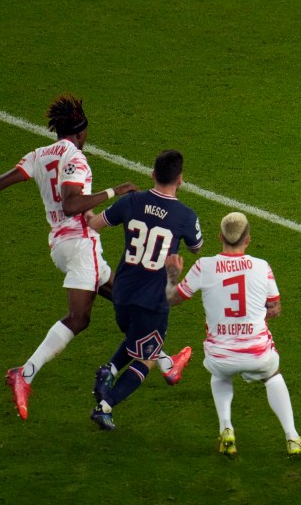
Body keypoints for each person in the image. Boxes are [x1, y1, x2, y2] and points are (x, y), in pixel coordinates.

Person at [0, 94, 190, 421]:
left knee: (121, 294)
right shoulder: (77, 159)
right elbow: (70, 204)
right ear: (81, 133)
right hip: (81, 244)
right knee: (79, 318)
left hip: (59, 246)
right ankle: (25, 373)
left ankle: (165, 362)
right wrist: (114, 192)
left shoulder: (38, 156)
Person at [166, 212, 301, 456]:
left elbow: (172, 299)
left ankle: (227, 429)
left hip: (219, 355)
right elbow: (275, 309)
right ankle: (292, 437)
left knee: (220, 374)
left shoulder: (204, 266)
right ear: (248, 240)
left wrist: (171, 276)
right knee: (272, 375)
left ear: (219, 237)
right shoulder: (262, 266)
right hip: (258, 353)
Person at [86, 149, 203, 430]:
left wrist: (85, 207)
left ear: (152, 173)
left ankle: (109, 370)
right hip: (152, 302)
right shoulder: (185, 215)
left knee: (136, 339)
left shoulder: (131, 201)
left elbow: (94, 223)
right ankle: (106, 406)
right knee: (149, 357)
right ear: (180, 180)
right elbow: (195, 246)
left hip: (121, 293)